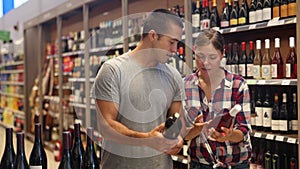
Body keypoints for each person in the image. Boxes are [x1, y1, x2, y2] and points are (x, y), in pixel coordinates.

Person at [91, 9, 185, 169]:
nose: (175, 50)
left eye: (177, 43)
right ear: (153, 35)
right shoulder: (113, 70)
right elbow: (106, 127)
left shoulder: (174, 76)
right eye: (171, 42)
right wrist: (146, 139)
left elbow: (178, 120)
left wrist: (178, 138)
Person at [183, 29, 252, 169]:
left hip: (235, 164)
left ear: (222, 54)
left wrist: (230, 135)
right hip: (200, 165)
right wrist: (195, 130)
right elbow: (182, 135)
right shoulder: (185, 85)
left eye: (212, 57)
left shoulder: (237, 84)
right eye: (200, 56)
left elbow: (244, 131)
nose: (205, 63)